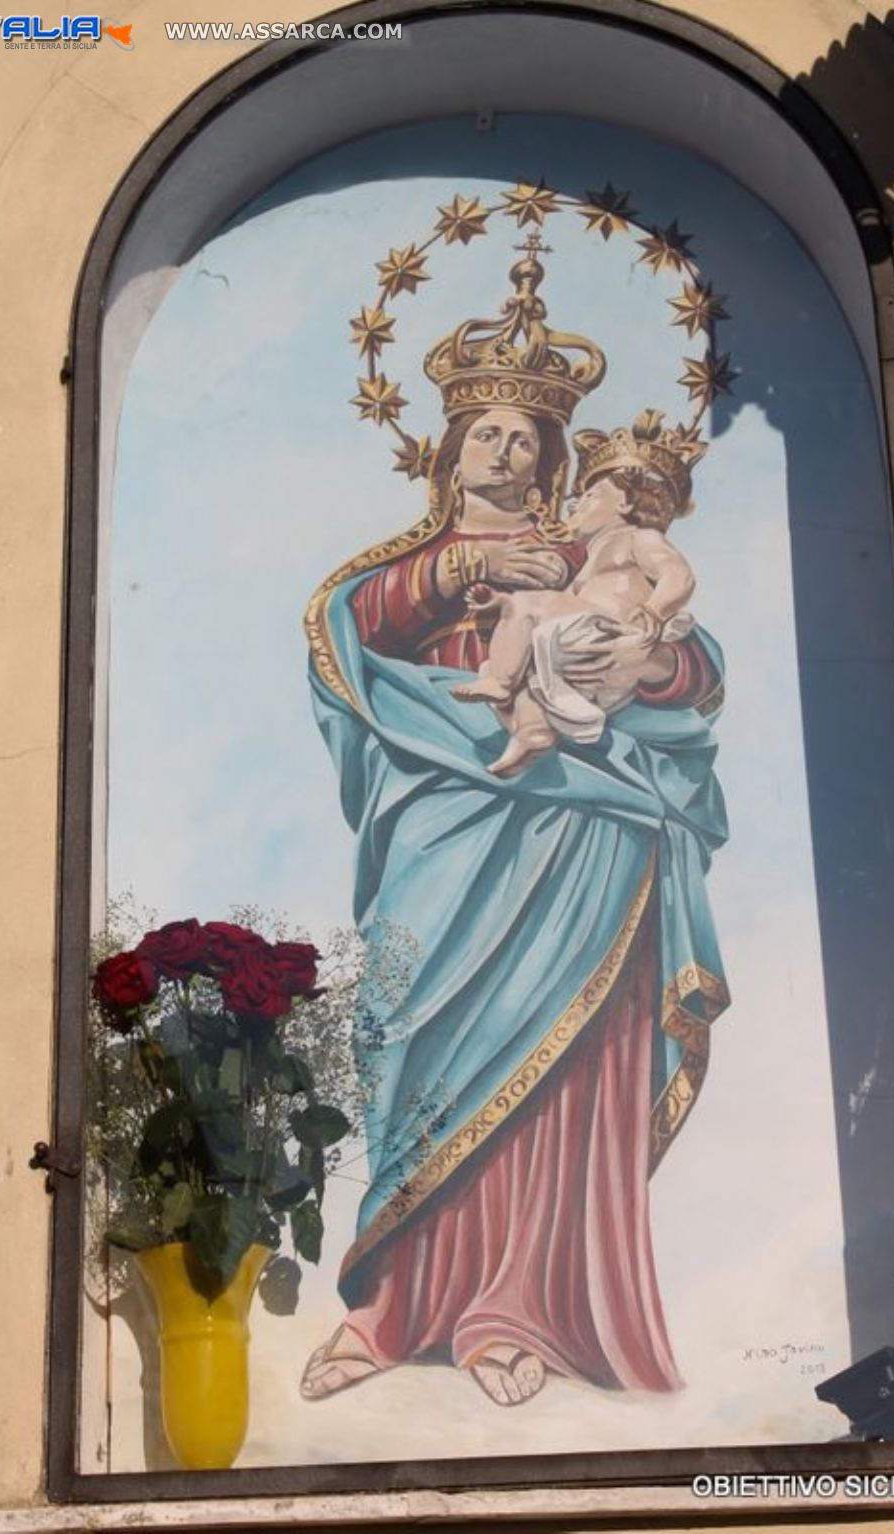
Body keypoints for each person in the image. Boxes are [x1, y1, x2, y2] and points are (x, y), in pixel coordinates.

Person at [303, 249, 729, 1408]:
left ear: (555, 458)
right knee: (416, 1032)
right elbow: (343, 634)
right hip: (442, 820)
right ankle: (392, 1309)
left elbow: (693, 673)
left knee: (563, 1061)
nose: (502, 451)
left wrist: (640, 659)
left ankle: (519, 1309)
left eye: (525, 439)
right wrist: (457, 573)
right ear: (448, 450)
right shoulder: (406, 571)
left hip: (584, 824)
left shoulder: (603, 559)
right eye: (483, 433)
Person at [452, 439, 698, 775]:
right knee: (520, 676)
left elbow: (678, 575)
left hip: (609, 635)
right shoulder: (588, 564)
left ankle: (500, 682)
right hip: (578, 657)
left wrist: (653, 613)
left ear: (626, 503)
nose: (574, 505)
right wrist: (503, 605)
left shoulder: (638, 538)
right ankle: (532, 732)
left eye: (590, 496)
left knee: (526, 607)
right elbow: (557, 609)